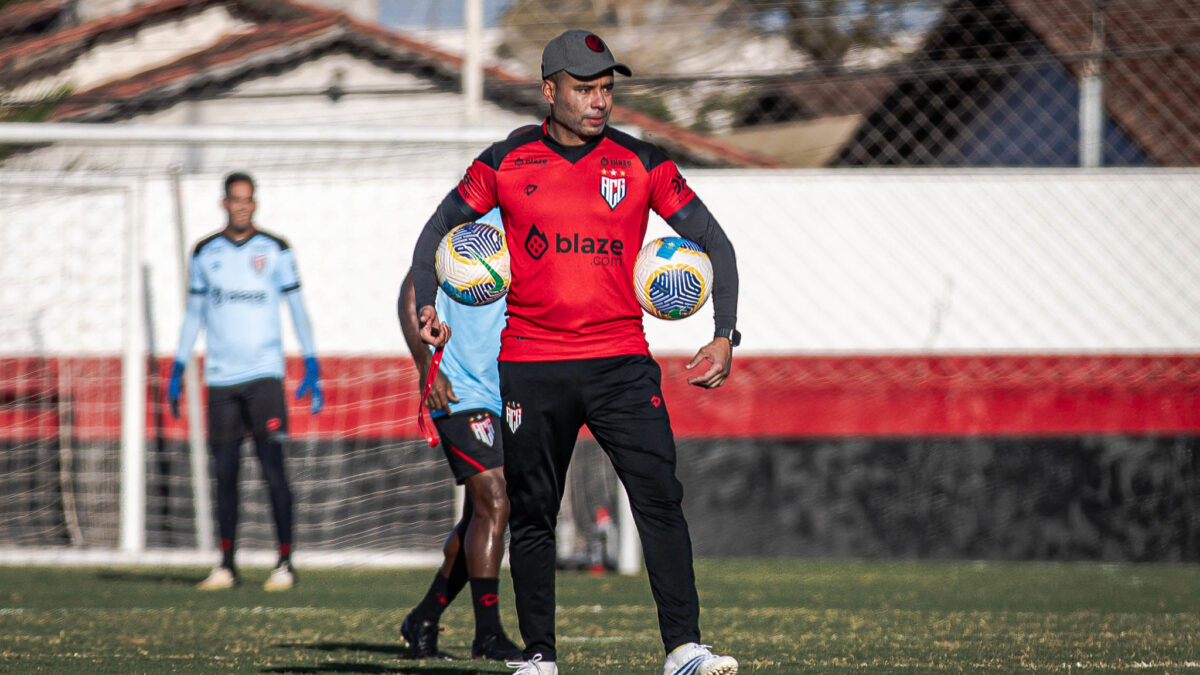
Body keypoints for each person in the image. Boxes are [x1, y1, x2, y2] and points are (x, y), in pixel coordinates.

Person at [409, 30, 741, 675]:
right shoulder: (504, 163)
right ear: (549, 90)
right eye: (585, 88)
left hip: (621, 365)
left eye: (607, 89)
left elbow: (716, 245)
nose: (598, 101)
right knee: (533, 511)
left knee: (659, 499)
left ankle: (684, 649)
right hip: (531, 367)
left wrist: (725, 332)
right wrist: (428, 301)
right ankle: (539, 656)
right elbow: (435, 234)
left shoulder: (644, 164)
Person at [168, 171, 323, 592]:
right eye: (236, 199)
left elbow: (295, 305)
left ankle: (285, 563)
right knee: (225, 472)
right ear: (225, 203)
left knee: (273, 469)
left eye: (249, 199)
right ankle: (226, 565)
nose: (243, 205)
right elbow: (194, 314)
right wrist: (179, 366)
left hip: (264, 376)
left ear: (255, 203)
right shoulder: (204, 252)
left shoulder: (275, 249)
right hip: (220, 379)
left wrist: (311, 360)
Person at [395, 208, 522, 661]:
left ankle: (424, 617)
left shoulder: (539, 230)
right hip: (458, 388)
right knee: (495, 498)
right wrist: (428, 368)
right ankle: (488, 633)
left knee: (481, 516)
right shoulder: (471, 224)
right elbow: (411, 288)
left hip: (506, 394)